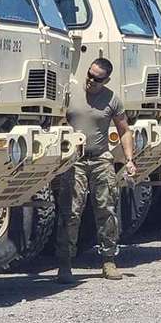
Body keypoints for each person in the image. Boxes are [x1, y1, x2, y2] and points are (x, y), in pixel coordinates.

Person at [56, 58, 138, 283]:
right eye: (89, 75)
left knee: (106, 210)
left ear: (106, 80)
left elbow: (124, 130)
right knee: (71, 212)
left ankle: (108, 261)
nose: (91, 81)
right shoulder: (70, 93)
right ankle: (65, 264)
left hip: (101, 159)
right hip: (74, 160)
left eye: (97, 78)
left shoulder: (112, 100)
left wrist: (129, 159)